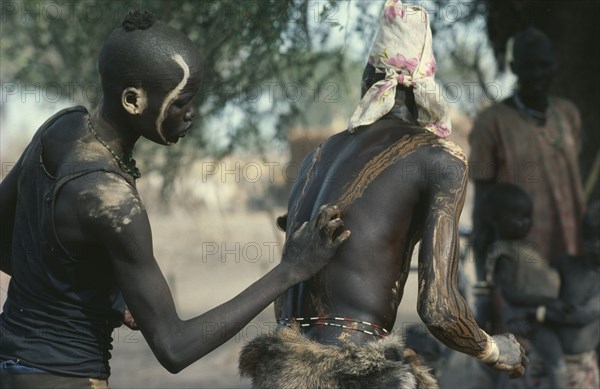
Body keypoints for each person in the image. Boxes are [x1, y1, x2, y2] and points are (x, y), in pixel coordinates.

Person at [0, 10, 351, 388]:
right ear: (133, 100)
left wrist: (104, 303)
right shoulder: (114, 203)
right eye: (181, 101)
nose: (191, 113)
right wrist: (292, 269)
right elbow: (174, 348)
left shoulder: (59, 129)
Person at [239, 3, 527, 388]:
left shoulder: (316, 157)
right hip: (355, 374)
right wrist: (494, 349)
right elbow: (440, 310)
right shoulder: (441, 159)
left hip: (280, 370)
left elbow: (287, 287)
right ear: (426, 88)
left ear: (368, 83)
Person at [469, 27, 585, 296]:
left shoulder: (568, 114)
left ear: (554, 64)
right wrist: (484, 281)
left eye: (544, 65)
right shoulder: (491, 123)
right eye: (528, 66)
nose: (537, 74)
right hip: (521, 265)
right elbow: (483, 205)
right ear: (513, 67)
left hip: (573, 255)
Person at [483, 183, 567, 388]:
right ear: (496, 220)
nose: (525, 223)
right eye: (519, 217)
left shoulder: (518, 247)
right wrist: (548, 301)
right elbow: (511, 294)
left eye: (528, 217)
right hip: (524, 318)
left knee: (521, 365)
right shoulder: (504, 254)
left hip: (536, 314)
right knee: (555, 362)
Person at [551, 202, 600, 389]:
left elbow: (583, 315)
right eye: (589, 238)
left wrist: (542, 313)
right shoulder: (566, 265)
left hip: (583, 365)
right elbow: (540, 292)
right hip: (548, 358)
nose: (594, 245)